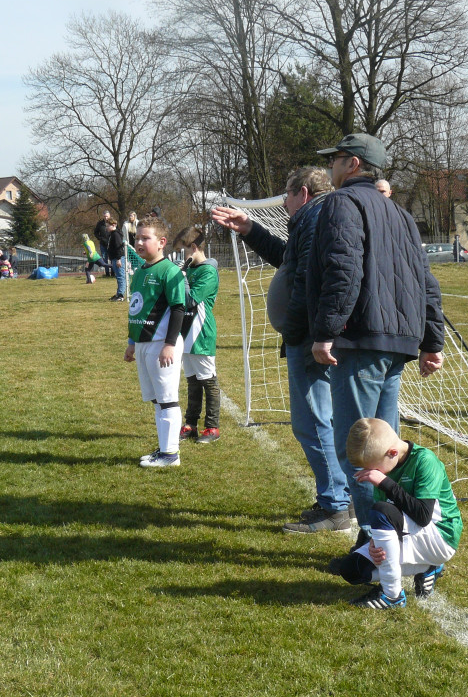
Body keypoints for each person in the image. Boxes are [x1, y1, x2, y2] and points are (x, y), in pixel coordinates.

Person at [309, 133, 445, 556]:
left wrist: (326, 330)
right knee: (387, 452)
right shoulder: (400, 213)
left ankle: (374, 545)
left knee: (360, 452)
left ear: (351, 164)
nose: (330, 167)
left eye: (334, 159)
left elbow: (343, 270)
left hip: (363, 340)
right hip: (396, 344)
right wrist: (430, 341)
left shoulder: (342, 204)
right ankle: (393, 539)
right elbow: (427, 282)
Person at [212, 167, 350, 533]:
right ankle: (340, 498)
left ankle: (336, 505)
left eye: (286, 194)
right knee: (322, 419)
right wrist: (251, 230)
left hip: (309, 338)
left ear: (301, 194)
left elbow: (306, 280)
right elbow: (290, 259)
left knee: (312, 421)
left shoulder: (315, 217)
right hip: (312, 335)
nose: (284, 201)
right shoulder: (314, 219)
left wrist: (293, 330)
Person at [335, 418, 461, 610]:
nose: (371, 474)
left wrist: (386, 483)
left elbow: (422, 516)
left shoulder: (425, 461)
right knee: (351, 570)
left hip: (440, 537)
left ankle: (392, 596)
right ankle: (428, 568)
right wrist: (374, 542)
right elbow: (387, 514)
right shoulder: (387, 465)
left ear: (392, 453)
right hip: (410, 532)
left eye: (373, 469)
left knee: (381, 511)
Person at [124, 217, 186, 468]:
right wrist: (131, 342)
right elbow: (136, 308)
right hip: (143, 344)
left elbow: (179, 309)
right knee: (157, 400)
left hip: (162, 344)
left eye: (144, 238)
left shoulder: (169, 272)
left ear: (161, 242)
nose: (138, 242)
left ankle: (171, 454)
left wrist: (170, 344)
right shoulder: (140, 270)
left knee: (168, 398)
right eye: (137, 237)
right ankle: (164, 448)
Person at [171, 226, 221, 444]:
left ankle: (212, 427)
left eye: (183, 251)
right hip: (185, 332)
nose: (183, 257)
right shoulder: (190, 269)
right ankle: (190, 424)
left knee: (208, 381)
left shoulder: (208, 272)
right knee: (192, 381)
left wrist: (181, 277)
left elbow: (192, 299)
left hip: (200, 333)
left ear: (193, 248)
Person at [105, 220, 126, 301]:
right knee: (118, 276)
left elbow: (119, 247)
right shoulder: (111, 235)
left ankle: (121, 295)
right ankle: (118, 293)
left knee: (121, 276)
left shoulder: (116, 235)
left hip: (118, 258)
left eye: (108, 226)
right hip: (114, 258)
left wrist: (119, 259)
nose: (106, 228)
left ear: (113, 225)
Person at [94, 211, 114, 277]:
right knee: (105, 259)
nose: (106, 218)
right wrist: (100, 238)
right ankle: (107, 273)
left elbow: (116, 231)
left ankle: (113, 273)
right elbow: (95, 232)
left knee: (112, 258)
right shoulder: (100, 224)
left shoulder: (113, 223)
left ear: (109, 216)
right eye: (105, 216)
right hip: (103, 244)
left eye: (107, 216)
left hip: (111, 244)